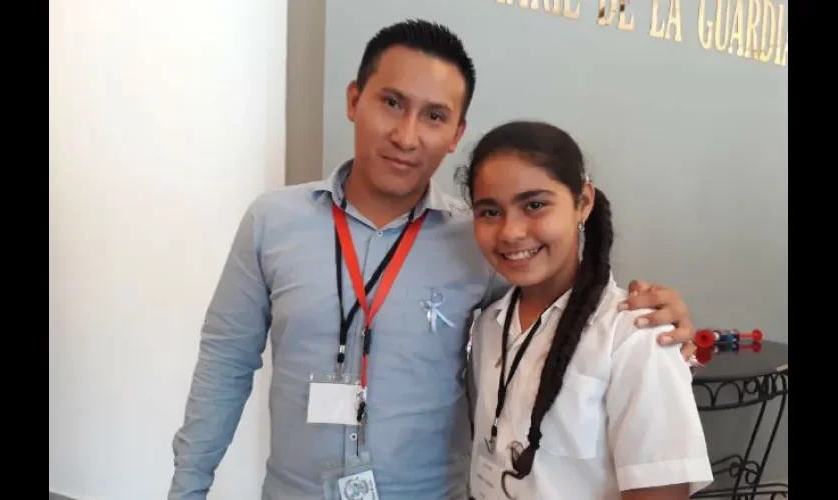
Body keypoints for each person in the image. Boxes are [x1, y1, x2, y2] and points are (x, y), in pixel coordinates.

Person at [168, 19, 699, 500]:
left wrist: (657, 314)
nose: (406, 135)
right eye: (391, 103)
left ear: (456, 134)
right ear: (354, 100)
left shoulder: (481, 239)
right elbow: (225, 365)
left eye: (434, 116)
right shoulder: (272, 222)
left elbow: (558, 305)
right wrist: (188, 488)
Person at [461, 120, 712, 500]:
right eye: (490, 212)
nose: (511, 232)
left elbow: (660, 491)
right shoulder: (488, 325)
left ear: (583, 203)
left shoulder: (633, 335)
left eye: (535, 205)